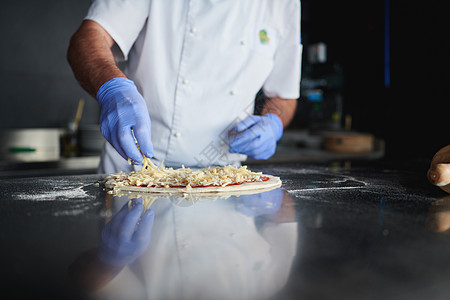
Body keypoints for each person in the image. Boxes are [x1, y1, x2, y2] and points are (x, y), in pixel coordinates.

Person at [67, 0, 302, 174]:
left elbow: (284, 99)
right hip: (136, 170)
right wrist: (113, 89)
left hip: (225, 180)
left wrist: (273, 123)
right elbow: (88, 39)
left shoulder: (284, 4)